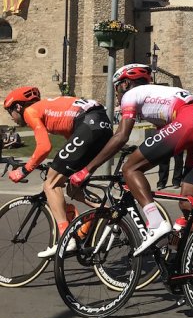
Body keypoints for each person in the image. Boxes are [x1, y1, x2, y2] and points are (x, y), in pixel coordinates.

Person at [69, 64, 193, 256]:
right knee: (188, 204)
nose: (117, 94)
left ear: (125, 84)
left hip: (189, 121)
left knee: (130, 169)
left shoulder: (131, 95)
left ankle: (155, 223)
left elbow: (121, 136)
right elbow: (160, 139)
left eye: (116, 88)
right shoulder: (160, 92)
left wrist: (87, 170)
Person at [4, 86, 112, 257]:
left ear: (18, 107)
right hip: (101, 124)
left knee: (50, 184)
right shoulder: (50, 108)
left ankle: (66, 239)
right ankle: (111, 213)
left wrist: (24, 170)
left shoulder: (30, 111)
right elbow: (72, 144)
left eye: (10, 111)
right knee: (72, 188)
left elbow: (44, 147)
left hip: (89, 123)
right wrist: (58, 168)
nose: (12, 118)